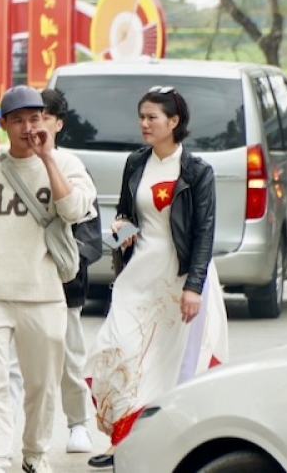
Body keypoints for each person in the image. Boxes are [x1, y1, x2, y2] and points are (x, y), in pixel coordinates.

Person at [86, 86, 230, 469]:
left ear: (174, 121)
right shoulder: (136, 163)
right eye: (142, 116)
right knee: (118, 348)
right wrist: (120, 225)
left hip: (179, 276)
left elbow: (204, 234)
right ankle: (119, 434)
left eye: (152, 117)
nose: (144, 124)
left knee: (165, 364)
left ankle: (132, 446)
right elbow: (125, 212)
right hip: (139, 274)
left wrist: (193, 287)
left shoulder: (198, 171)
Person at [0, 85, 97, 473]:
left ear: (47, 121)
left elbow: (73, 211)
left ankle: (35, 454)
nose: (27, 128)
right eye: (17, 120)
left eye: (34, 119)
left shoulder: (68, 165)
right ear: (3, 125)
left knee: (41, 388)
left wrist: (48, 159)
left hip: (45, 295)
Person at [42, 88, 96, 455]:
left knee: (69, 358)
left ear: (59, 123)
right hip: (16, 282)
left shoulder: (72, 165)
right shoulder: (3, 164)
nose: (36, 125)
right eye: (28, 117)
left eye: (44, 117)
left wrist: (70, 263)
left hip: (63, 283)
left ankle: (78, 424)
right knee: (10, 362)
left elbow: (87, 225)